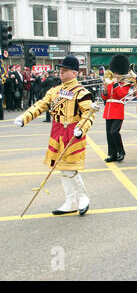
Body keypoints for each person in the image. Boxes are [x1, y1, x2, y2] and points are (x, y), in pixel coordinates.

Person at [14, 55, 95, 215]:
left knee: (70, 169)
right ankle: (70, 201)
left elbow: (89, 113)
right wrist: (25, 117)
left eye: (65, 71)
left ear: (74, 73)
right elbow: (41, 105)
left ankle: (83, 197)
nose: (61, 74)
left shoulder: (82, 92)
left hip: (73, 132)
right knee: (61, 168)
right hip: (57, 132)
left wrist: (81, 128)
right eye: (61, 71)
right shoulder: (55, 91)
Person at [101, 54, 131, 163]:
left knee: (114, 132)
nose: (115, 74)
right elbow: (105, 97)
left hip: (118, 110)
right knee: (109, 134)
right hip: (108, 110)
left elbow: (121, 95)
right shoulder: (110, 82)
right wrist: (104, 89)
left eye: (116, 73)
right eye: (114, 72)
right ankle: (113, 154)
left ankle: (121, 151)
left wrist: (116, 84)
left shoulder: (125, 83)